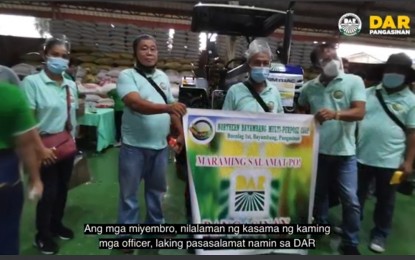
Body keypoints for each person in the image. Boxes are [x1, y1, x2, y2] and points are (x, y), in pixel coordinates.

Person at [116, 34, 186, 254]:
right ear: (135, 53)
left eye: (153, 49)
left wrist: (180, 130)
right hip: (133, 146)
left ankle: (155, 227)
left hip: (159, 146)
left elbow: (169, 106)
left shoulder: (163, 77)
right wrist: (168, 109)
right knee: (129, 193)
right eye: (144, 48)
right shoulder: (127, 76)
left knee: (156, 191)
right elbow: (135, 103)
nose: (149, 52)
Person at [297, 43, 366, 255]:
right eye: (326, 60)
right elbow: (300, 107)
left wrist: (336, 114)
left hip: (346, 154)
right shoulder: (310, 87)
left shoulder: (353, 81)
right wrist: (307, 121)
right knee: (319, 196)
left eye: (334, 57)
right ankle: (320, 225)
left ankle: (351, 241)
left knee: (350, 200)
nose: (332, 62)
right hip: (318, 151)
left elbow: (359, 112)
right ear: (317, 65)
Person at [21, 38, 79, 255]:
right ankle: (42, 235)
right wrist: (39, 150)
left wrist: (74, 141)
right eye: (56, 54)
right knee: (49, 191)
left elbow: (71, 116)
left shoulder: (70, 84)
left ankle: (56, 224)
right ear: (45, 54)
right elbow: (28, 121)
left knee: (63, 188)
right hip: (42, 145)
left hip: (65, 144)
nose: (61, 59)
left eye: (65, 56)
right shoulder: (32, 83)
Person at [356, 53, 415, 254]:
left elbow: (412, 133)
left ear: (406, 76)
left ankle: (380, 233)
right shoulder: (368, 93)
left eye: (399, 71)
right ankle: (352, 226)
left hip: (390, 161)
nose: (393, 74)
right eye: (391, 70)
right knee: (356, 195)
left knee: (386, 200)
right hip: (361, 155)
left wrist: (408, 161)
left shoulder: (411, 100)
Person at [0, 82, 44, 255]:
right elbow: (25, 144)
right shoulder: (10, 95)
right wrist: (35, 179)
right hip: (5, 169)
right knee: (7, 232)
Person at [222, 38, 284, 113]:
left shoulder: (274, 92)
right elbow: (224, 121)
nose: (261, 67)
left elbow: (280, 121)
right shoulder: (234, 92)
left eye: (265, 63)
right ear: (248, 66)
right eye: (257, 63)